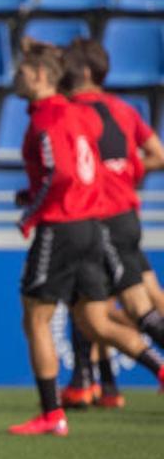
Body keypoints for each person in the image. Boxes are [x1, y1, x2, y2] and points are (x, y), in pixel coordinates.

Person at [9, 38, 164, 437]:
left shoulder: (52, 116)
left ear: (42, 75)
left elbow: (61, 172)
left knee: (39, 317)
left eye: (23, 71)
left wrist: (33, 209)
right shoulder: (93, 115)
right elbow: (105, 158)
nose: (16, 77)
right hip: (100, 223)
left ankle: (52, 413)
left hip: (74, 220)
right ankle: (147, 371)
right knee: (95, 318)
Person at [57, 38, 164, 409]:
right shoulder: (123, 109)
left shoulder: (73, 112)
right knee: (91, 302)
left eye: (67, 65)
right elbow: (157, 155)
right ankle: (94, 383)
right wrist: (129, 169)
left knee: (130, 306)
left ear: (83, 72)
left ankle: (91, 381)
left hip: (100, 217)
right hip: (125, 218)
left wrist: (101, 176)